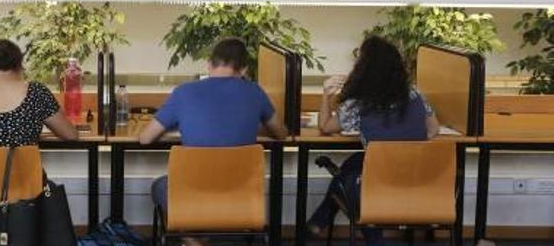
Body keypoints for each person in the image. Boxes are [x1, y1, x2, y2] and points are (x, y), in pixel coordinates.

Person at [139, 38, 288, 246]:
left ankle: (192, 240)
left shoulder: (184, 92)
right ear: (244, 69)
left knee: (160, 186)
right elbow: (281, 134)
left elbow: (145, 138)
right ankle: (199, 237)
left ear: (209, 63)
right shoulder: (255, 92)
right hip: (240, 191)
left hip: (193, 190)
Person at [308, 36, 440, 245]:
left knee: (346, 176)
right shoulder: (415, 94)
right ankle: (319, 221)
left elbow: (325, 126)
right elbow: (433, 129)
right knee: (354, 162)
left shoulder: (359, 104)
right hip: (417, 182)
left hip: (379, 186)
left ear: (364, 68)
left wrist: (325, 95)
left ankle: (324, 224)